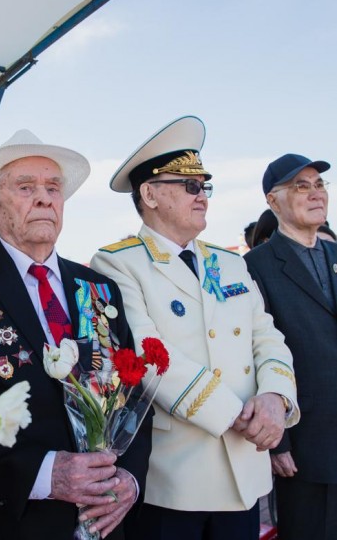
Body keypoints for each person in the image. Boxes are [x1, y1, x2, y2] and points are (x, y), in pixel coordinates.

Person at [0, 130, 152, 540]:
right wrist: (42, 474)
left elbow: (134, 391)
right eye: (25, 187)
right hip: (12, 522)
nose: (44, 198)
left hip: (105, 518)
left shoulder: (98, 286)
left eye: (53, 188)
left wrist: (130, 478)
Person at [90, 116, 299, 540]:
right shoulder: (117, 263)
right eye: (189, 185)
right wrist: (238, 415)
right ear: (149, 194)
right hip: (175, 478)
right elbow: (148, 354)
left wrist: (276, 398)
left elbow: (267, 337)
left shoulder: (230, 262)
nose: (202, 195)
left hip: (244, 469)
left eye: (205, 185)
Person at [244, 153, 336, 540]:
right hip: (305, 446)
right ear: (273, 200)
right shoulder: (255, 266)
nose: (316, 193)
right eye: (301, 186)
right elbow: (252, 353)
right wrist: (278, 441)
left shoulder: (334, 254)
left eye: (319, 184)